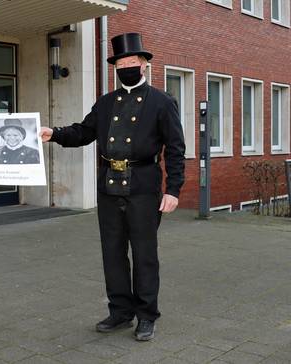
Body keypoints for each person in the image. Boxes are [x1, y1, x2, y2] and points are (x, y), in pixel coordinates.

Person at [40, 33, 185, 341]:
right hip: (109, 187)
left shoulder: (162, 102)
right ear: (115, 67)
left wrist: (173, 189)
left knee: (144, 254)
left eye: (133, 61)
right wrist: (53, 133)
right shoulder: (105, 103)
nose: (127, 66)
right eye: (121, 62)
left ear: (144, 65)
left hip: (144, 188)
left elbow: (175, 148)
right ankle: (120, 312)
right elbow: (83, 132)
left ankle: (147, 315)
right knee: (112, 253)